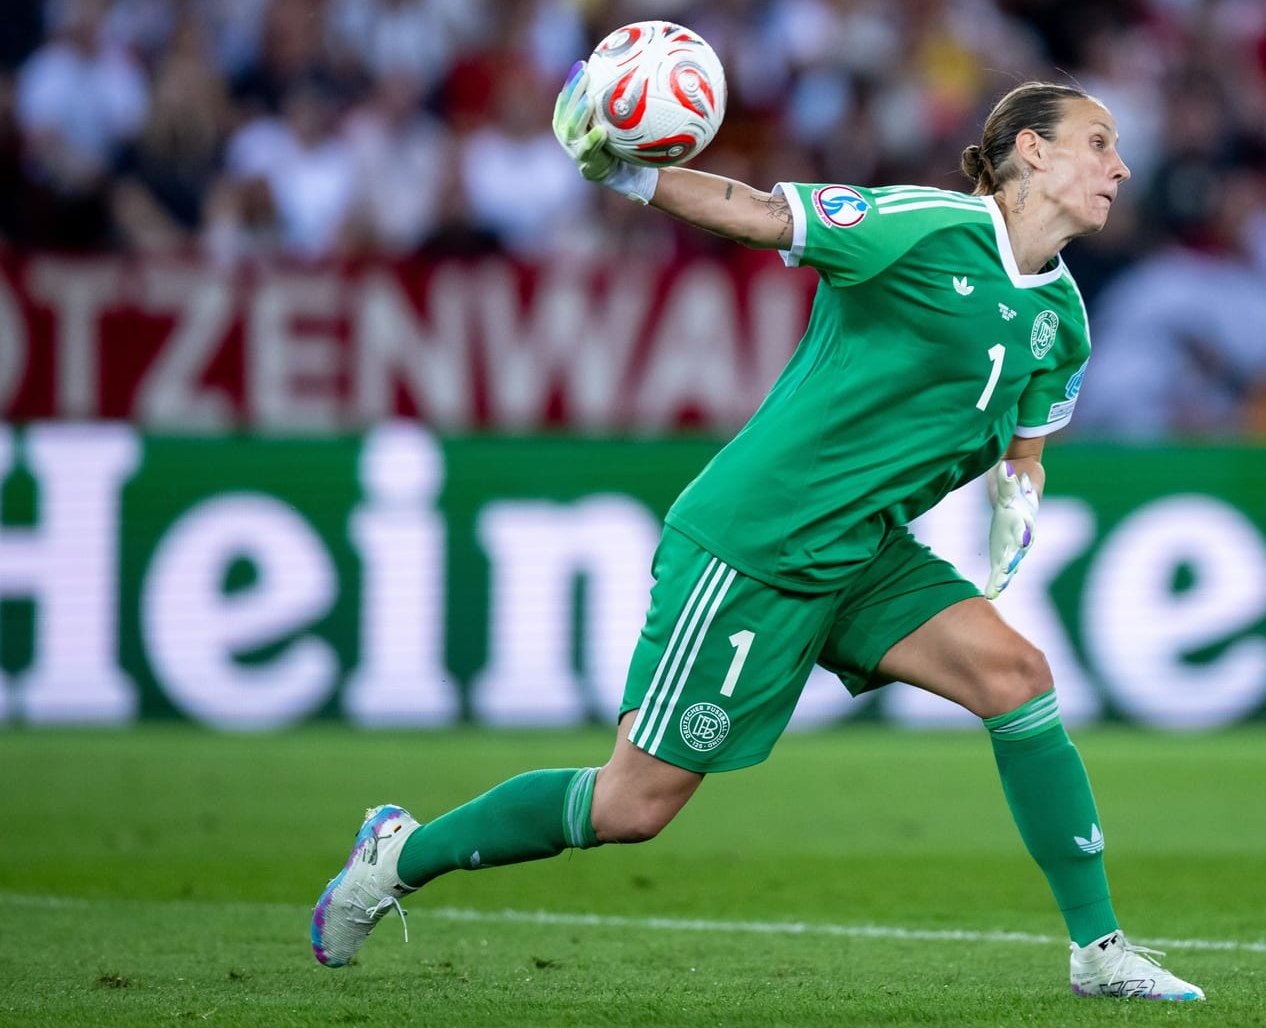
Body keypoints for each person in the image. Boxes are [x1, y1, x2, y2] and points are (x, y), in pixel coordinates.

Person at [308, 65, 1207, 1003]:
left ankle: (1098, 951)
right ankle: (397, 855)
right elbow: (767, 215)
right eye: (1098, 143)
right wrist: (632, 175)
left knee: (1017, 679)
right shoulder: (923, 227)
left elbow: (1025, 449)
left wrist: (1016, 501)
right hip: (759, 540)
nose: (1120, 167)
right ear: (1032, 151)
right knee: (631, 807)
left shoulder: (1063, 320)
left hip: (864, 550)